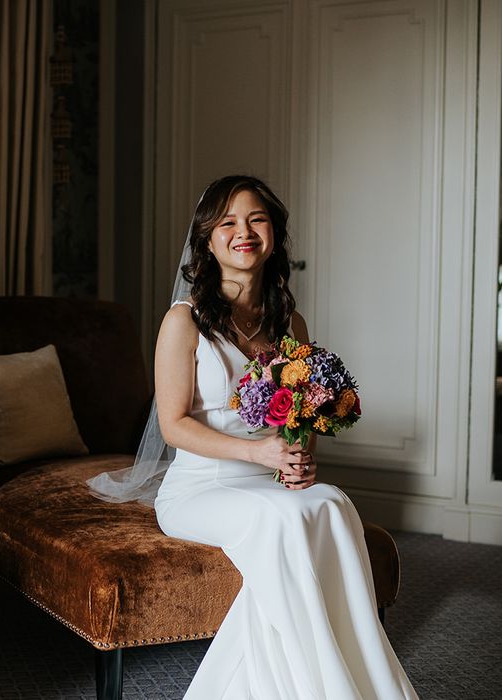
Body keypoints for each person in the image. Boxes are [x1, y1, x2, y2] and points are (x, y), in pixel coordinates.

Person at [152, 175, 419, 699]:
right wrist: (256, 451)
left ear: (273, 233)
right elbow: (173, 425)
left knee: (332, 504)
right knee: (287, 519)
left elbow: (300, 415)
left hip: (269, 481)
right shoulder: (184, 321)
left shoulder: (288, 322)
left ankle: (346, 677)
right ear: (207, 239)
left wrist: (297, 460)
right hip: (200, 488)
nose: (243, 232)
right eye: (227, 222)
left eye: (256, 219)